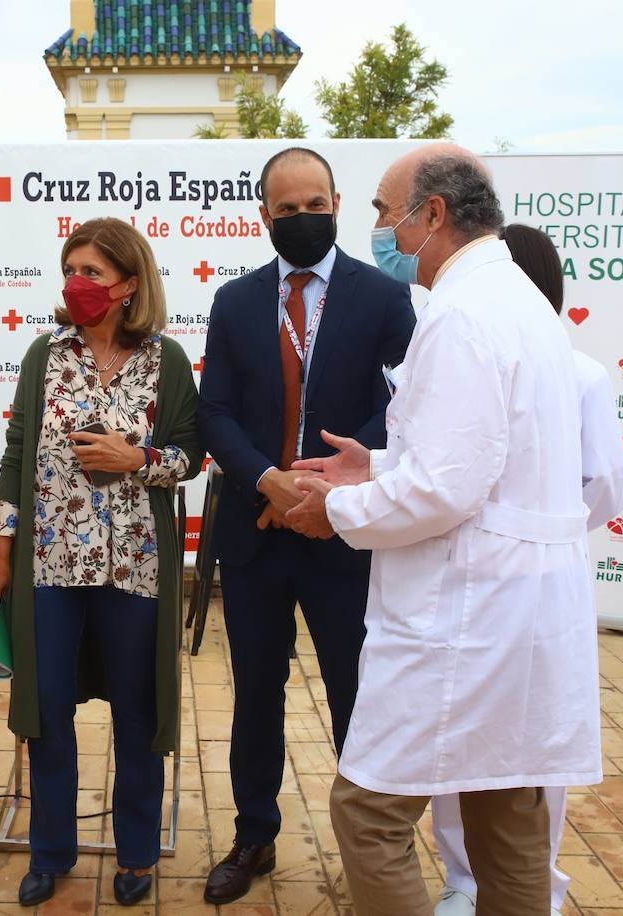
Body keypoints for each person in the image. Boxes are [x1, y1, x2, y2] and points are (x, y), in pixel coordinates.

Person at [285, 144, 601, 916]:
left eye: (385, 213)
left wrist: (336, 508)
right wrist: (380, 464)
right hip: (525, 616)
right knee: (508, 815)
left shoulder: (461, 314)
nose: (381, 232)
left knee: (368, 814)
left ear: (433, 215)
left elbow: (446, 491)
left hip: (468, 615)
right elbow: (485, 457)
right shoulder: (521, 303)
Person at [196, 147, 416, 904]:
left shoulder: (386, 298)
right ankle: (254, 835)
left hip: (344, 537)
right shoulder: (234, 302)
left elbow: (403, 407)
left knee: (358, 692)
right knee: (256, 694)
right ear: (264, 216)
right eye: (284, 210)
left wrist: (327, 488)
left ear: (337, 203)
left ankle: (373, 849)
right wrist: (268, 478)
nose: (300, 219)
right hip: (256, 535)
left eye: (313, 204)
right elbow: (214, 412)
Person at [0, 217, 203, 908]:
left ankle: (136, 853)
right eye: (70, 269)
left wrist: (135, 458)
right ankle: (51, 851)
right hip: (51, 566)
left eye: (93, 273)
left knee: (137, 714)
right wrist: (3, 544)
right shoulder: (43, 354)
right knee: (46, 711)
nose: (77, 284)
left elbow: (191, 459)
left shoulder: (165, 361)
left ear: (129, 284)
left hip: (134, 570)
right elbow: (17, 455)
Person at [430, 223, 623, 916]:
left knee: (533, 749)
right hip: (469, 582)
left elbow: (604, 483)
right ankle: (463, 879)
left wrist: (535, 522)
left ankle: (533, 882)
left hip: (540, 581)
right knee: (460, 737)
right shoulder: (462, 353)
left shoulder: (582, 374)